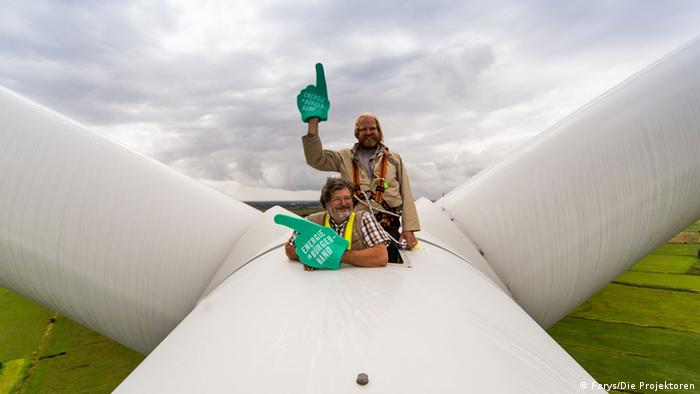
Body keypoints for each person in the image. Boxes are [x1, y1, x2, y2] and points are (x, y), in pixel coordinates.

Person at [301, 114, 420, 264]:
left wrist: (409, 229)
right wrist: (313, 122)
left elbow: (406, 193)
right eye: (363, 129)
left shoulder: (393, 158)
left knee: (389, 265)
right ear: (357, 134)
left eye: (372, 128)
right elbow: (315, 159)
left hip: (388, 225)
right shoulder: (343, 157)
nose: (369, 132)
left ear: (379, 131)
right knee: (353, 266)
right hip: (356, 226)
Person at [285, 177, 390, 270]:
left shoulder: (363, 219)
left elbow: (381, 256)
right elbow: (289, 249)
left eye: (347, 198)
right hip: (322, 284)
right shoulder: (311, 221)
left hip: (357, 284)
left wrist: (331, 254)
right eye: (337, 199)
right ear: (326, 204)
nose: (344, 203)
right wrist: (310, 257)